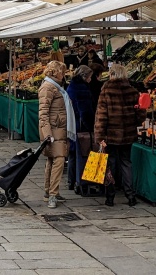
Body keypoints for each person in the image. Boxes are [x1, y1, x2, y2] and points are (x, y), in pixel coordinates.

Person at [93, 63, 141, 207]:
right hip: (127, 134)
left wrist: (100, 137)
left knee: (110, 165)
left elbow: (101, 116)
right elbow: (140, 116)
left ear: (112, 74)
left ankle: (110, 197)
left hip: (110, 135)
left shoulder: (106, 91)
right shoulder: (132, 91)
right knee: (126, 163)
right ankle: (131, 196)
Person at [37, 61, 71, 209]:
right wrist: (47, 134)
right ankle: (52, 194)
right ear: (55, 72)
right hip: (54, 130)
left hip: (58, 129)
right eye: (61, 72)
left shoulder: (55, 87)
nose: (63, 75)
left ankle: (49, 192)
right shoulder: (48, 87)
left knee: (53, 160)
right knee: (59, 160)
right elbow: (43, 114)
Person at [66, 65, 96, 196]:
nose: (90, 80)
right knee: (81, 153)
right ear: (84, 77)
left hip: (72, 124)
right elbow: (85, 112)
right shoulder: (82, 89)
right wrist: (91, 126)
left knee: (72, 153)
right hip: (80, 126)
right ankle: (82, 181)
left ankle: (71, 181)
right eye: (89, 77)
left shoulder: (71, 85)